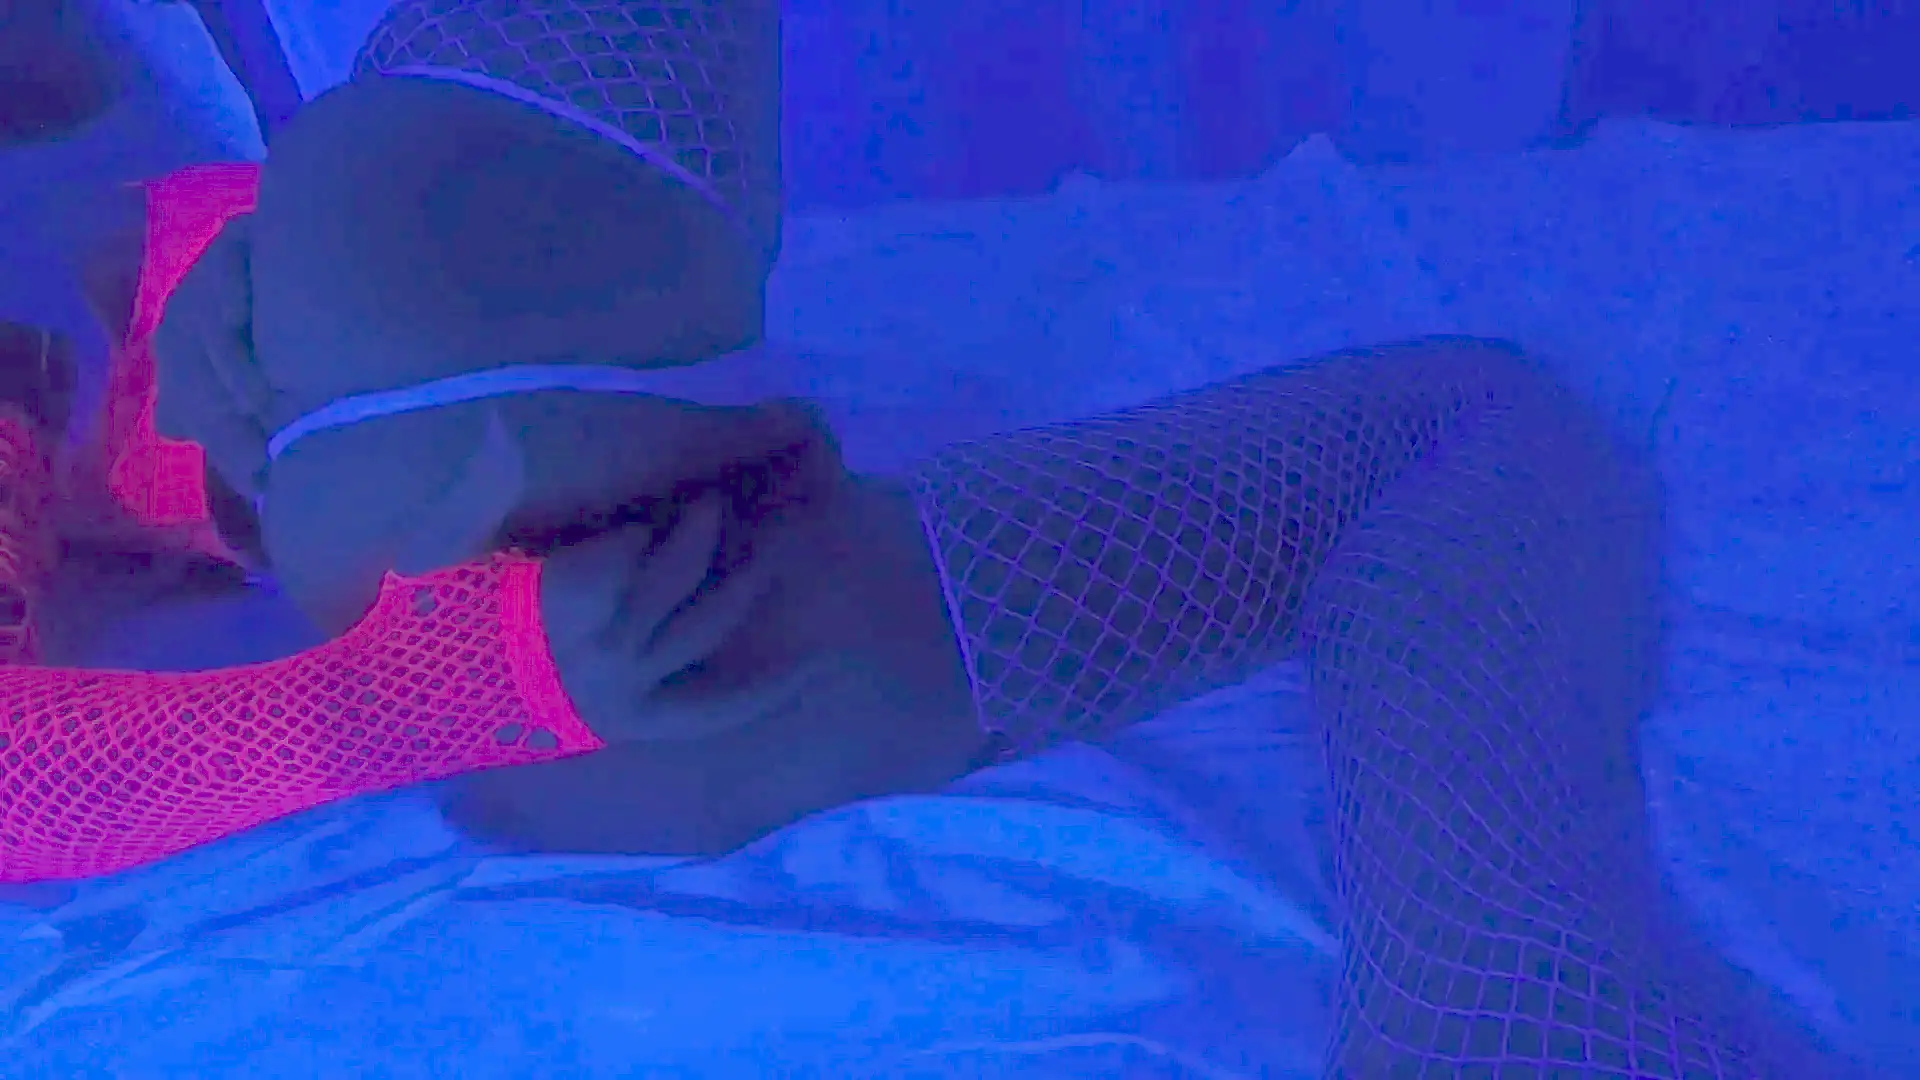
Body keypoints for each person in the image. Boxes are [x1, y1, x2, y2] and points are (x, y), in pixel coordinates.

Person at [0, 3, 1852, 1076]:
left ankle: (1513, 965)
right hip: (491, 488)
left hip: (451, 442)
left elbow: (82, 222)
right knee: (1457, 431)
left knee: (1451, 436)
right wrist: (457, 676)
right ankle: (1514, 956)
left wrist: (198, 318)